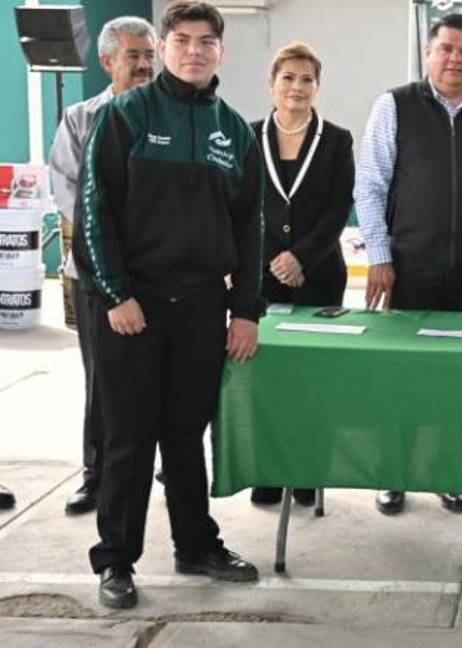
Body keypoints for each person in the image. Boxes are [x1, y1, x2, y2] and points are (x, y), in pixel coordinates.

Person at [73, 0, 264, 610]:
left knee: (186, 435)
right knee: (128, 439)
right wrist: (116, 295)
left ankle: (196, 544)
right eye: (181, 40)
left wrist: (246, 310)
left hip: (203, 309)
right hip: (134, 310)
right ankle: (116, 562)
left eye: (206, 42)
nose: (194, 51)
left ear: (220, 52)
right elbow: (94, 213)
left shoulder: (233, 130)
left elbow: (250, 228)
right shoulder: (126, 116)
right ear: (162, 47)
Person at [355, 12, 462, 517]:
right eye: (446, 48)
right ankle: (394, 474)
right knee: (402, 377)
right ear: (429, 53)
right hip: (409, 268)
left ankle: (450, 473)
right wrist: (380, 257)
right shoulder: (395, 106)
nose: (455, 59)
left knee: (460, 380)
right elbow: (370, 186)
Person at [48, 16, 156, 517]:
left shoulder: (169, 116)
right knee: (102, 380)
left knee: (162, 378)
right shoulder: (80, 120)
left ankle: (157, 466)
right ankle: (96, 475)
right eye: (133, 56)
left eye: (148, 56)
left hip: (159, 278)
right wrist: (115, 262)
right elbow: (71, 198)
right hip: (97, 278)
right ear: (107, 60)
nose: (143, 65)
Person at [248, 42, 354, 508]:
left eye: (306, 79)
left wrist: (301, 258)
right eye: (288, 78)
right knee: (268, 376)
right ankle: (268, 470)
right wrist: (274, 257)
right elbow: (242, 206)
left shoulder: (336, 140)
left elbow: (337, 210)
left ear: (317, 86)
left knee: (315, 379)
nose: (296, 87)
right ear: (272, 84)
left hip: (320, 276)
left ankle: (311, 470)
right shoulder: (247, 136)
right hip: (262, 275)